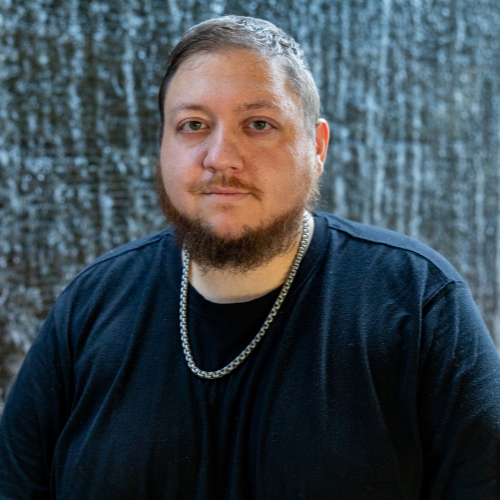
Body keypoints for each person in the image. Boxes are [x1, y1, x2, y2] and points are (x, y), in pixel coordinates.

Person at [1, 15, 500, 500]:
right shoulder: (89, 307)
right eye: (193, 125)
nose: (220, 156)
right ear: (162, 146)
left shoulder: (417, 303)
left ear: (317, 147)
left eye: (259, 124)